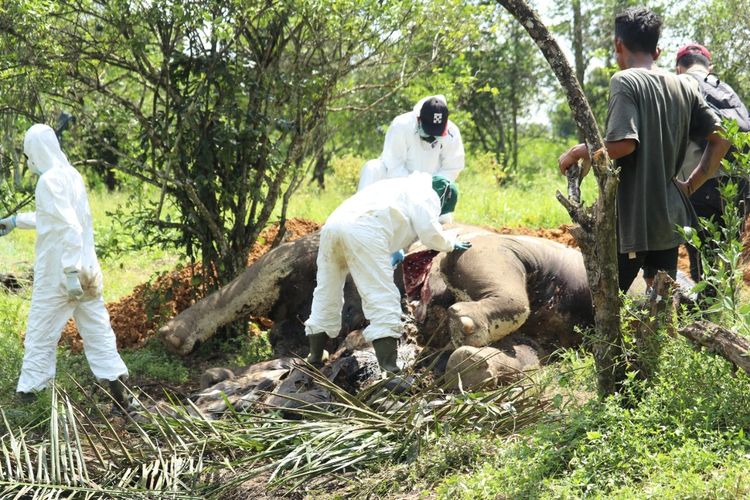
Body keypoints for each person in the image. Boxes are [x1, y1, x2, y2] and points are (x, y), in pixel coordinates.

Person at [557, 7, 731, 293]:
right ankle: (660, 339)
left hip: (633, 220)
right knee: (661, 299)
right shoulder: (684, 85)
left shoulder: (625, 81)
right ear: (658, 51)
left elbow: (624, 144)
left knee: (604, 299)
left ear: (618, 45)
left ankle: (601, 341)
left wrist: (578, 151)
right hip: (668, 217)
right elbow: (722, 138)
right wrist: (689, 186)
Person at [0, 124, 132, 411]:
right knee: (98, 333)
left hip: (60, 277)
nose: (29, 160)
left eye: (28, 154)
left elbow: (69, 226)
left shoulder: (47, 181)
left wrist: (70, 272)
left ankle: (28, 403)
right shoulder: (72, 175)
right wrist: (15, 221)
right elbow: (56, 217)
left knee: (40, 335)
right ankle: (123, 397)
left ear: (35, 151)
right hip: (88, 272)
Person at [304, 172, 471, 382]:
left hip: (333, 227)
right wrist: (449, 242)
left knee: (326, 291)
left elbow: (387, 217)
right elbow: (430, 232)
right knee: (381, 296)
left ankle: (315, 356)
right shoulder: (426, 195)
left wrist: (393, 247)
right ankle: (390, 372)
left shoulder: (395, 186)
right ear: (443, 198)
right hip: (364, 231)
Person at [673, 43, 750, 283]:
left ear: (678, 68)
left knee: (701, 261)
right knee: (728, 258)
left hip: (699, 182)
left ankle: (707, 318)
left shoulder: (681, 86)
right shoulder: (727, 90)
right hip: (739, 185)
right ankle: (726, 315)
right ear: (710, 66)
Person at [357, 95, 465, 192]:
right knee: (372, 167)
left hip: (430, 190)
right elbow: (393, 165)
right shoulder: (401, 126)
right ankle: (361, 212)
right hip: (395, 184)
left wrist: (433, 186)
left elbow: (452, 167)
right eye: (429, 131)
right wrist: (414, 186)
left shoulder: (452, 133)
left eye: (437, 133)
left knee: (450, 191)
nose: (432, 137)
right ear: (419, 119)